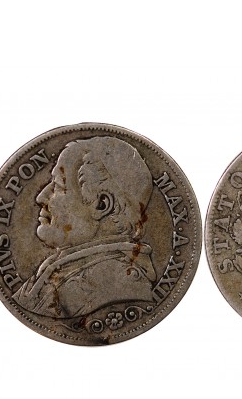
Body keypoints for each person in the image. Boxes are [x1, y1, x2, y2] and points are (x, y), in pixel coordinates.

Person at [13, 136, 156, 318]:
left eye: (58, 186)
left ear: (101, 205)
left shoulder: (113, 287)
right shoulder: (61, 269)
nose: (40, 197)